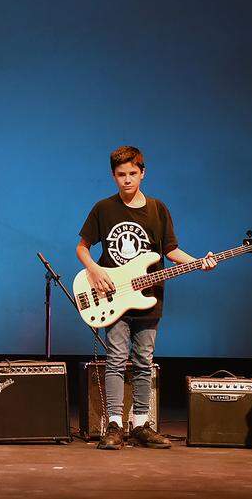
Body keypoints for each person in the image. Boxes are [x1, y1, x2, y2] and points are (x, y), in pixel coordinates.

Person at [76, 145, 216, 450]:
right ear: (113, 176)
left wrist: (198, 262)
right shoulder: (104, 208)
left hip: (149, 297)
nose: (127, 180)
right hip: (112, 297)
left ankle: (140, 424)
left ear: (143, 173)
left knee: (143, 361)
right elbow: (82, 247)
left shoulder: (157, 209)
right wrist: (96, 271)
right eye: (121, 175)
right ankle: (114, 424)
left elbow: (170, 251)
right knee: (115, 359)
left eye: (132, 174)